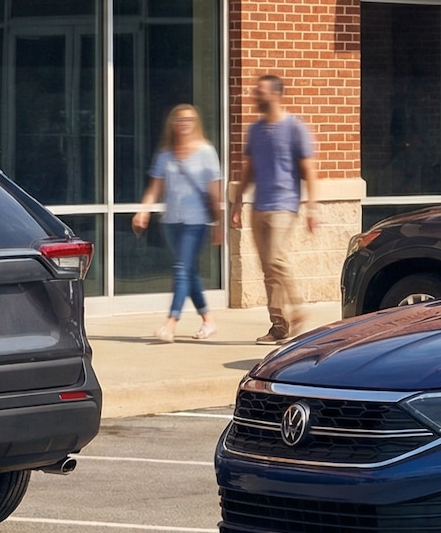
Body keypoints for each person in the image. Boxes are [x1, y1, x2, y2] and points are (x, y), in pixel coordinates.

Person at [234, 74, 318, 344]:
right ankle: (279, 326)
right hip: (259, 205)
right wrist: (238, 202)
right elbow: (248, 169)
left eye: (260, 91)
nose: (255, 95)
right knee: (268, 270)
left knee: (275, 259)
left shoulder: (295, 128)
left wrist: (312, 208)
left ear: (275, 94)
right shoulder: (255, 130)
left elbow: (309, 170)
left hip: (284, 204)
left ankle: (298, 307)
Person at [133, 104, 224, 342]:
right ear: (172, 125)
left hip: (197, 222)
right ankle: (208, 320)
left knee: (181, 270)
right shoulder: (166, 155)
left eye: (189, 120)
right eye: (179, 120)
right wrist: (143, 211)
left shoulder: (206, 152)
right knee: (189, 272)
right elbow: (155, 188)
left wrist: (218, 224)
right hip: (171, 222)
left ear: (196, 124)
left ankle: (171, 324)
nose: (184, 124)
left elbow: (215, 192)